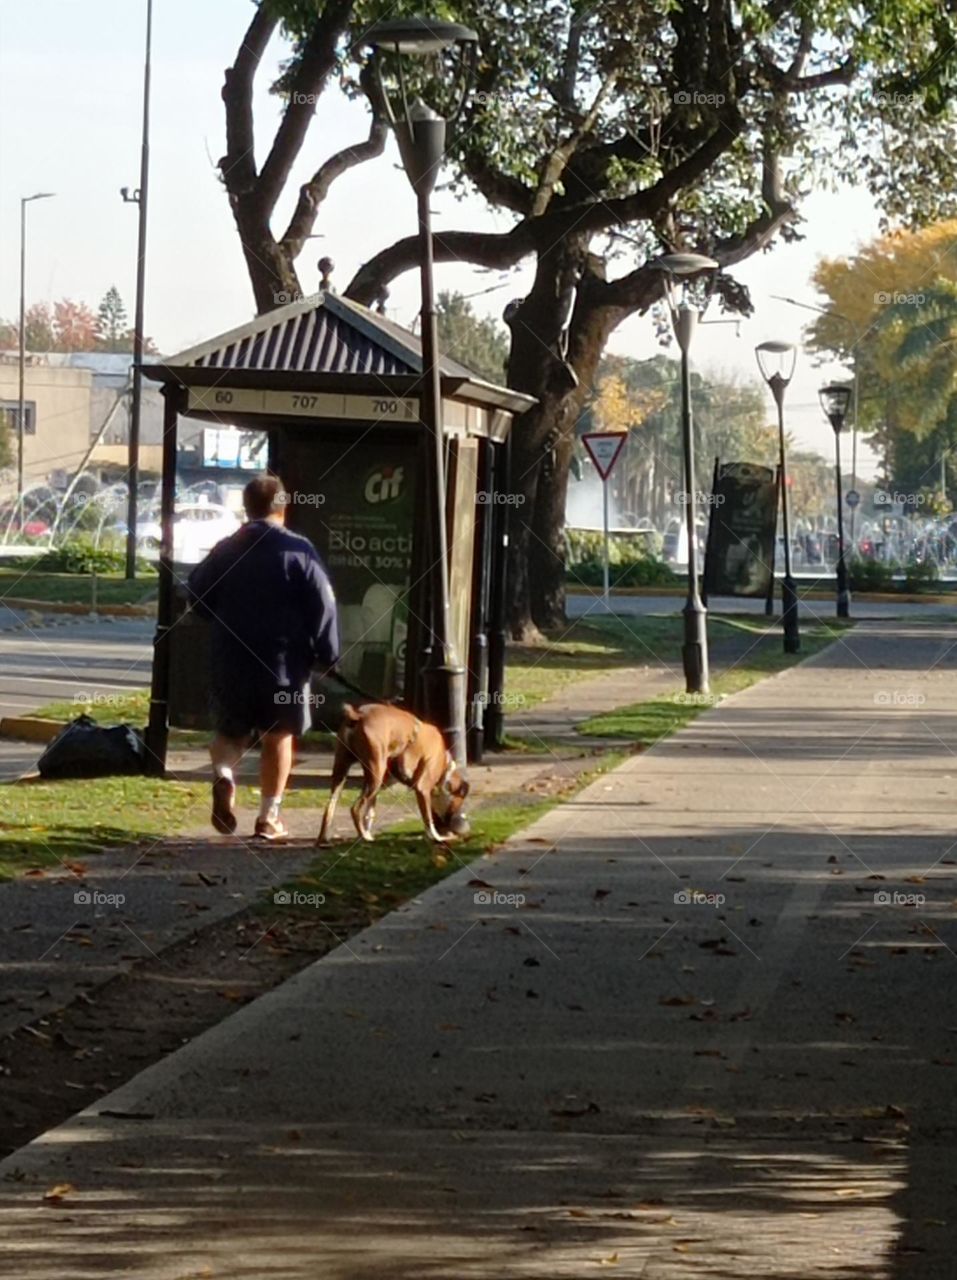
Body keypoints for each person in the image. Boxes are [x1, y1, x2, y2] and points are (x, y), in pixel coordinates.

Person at [187, 475, 339, 839]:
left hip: (230, 661)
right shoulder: (300, 551)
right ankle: (269, 818)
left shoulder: (227, 549)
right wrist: (328, 654)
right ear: (283, 509)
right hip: (283, 665)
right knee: (278, 736)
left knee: (229, 733)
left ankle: (224, 773)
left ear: (247, 508)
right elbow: (324, 605)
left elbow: (197, 596)